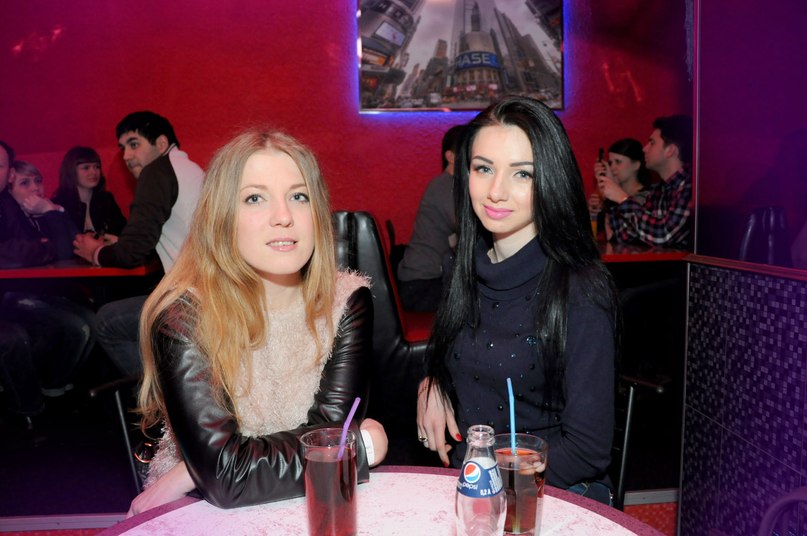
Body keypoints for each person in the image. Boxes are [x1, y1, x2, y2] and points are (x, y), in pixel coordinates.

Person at [126, 130, 388, 516]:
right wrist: (361, 447)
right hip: (202, 512)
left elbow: (330, 433)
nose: (284, 217)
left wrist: (201, 469)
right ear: (222, 217)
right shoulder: (186, 315)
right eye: (255, 198)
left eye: (299, 196)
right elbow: (226, 477)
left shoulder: (346, 300)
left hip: (310, 500)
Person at [415, 96, 619, 505]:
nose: (496, 191)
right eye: (484, 168)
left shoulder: (580, 289)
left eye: (522, 174)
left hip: (553, 488)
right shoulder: (460, 267)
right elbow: (452, 357)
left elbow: (587, 450)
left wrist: (496, 488)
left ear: (551, 181)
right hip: (471, 483)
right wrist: (430, 382)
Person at [74, 112, 204, 377]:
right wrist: (122, 242)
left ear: (161, 142)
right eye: (123, 147)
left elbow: (132, 253)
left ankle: (157, 397)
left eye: (134, 144)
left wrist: (95, 252)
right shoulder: (189, 167)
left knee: (106, 321)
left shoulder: (156, 171)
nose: (126, 155)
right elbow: (159, 234)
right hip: (211, 292)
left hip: (195, 301)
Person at [0, 144, 93, 424]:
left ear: (8, 173)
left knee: (89, 320)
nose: (34, 189)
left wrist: (52, 211)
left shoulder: (17, 208)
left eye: (37, 181)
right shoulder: (9, 206)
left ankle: (53, 391)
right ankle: (41, 400)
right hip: (15, 295)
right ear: (12, 183)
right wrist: (45, 247)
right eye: (25, 183)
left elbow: (70, 247)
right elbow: (11, 253)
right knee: (74, 326)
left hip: (34, 290)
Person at [397, 124, 466, 312]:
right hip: (422, 285)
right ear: (450, 157)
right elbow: (466, 227)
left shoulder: (448, 185)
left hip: (423, 281)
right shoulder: (445, 185)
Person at [606, 115, 694, 248]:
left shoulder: (691, 185)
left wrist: (622, 199)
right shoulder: (659, 189)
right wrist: (613, 195)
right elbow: (625, 236)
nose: (644, 149)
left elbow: (663, 235)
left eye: (652, 143)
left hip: (680, 262)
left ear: (670, 150)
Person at [52, 146, 127, 236]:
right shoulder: (58, 204)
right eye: (86, 167)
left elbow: (125, 233)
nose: (93, 172)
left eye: (97, 167)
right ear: (71, 171)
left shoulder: (106, 200)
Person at [588, 138, 653, 241]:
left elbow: (625, 238)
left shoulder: (648, 197)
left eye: (618, 162)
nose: (612, 168)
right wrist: (593, 213)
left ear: (636, 165)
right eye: (610, 163)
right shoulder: (611, 198)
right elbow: (591, 235)